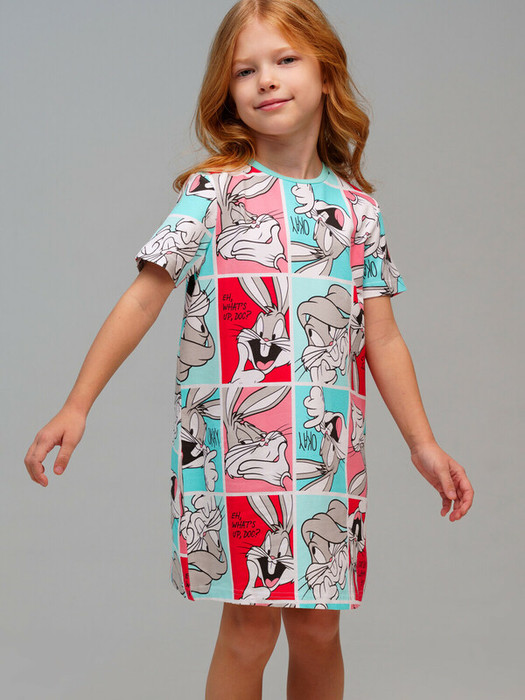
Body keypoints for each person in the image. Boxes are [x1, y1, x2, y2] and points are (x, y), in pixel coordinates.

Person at [24, 1, 474, 698]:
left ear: (325, 73)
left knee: (319, 628)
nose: (266, 79)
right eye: (245, 70)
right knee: (249, 627)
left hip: (324, 453)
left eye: (285, 60)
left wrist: (423, 444)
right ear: (227, 92)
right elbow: (143, 298)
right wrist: (76, 405)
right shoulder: (214, 194)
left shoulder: (358, 212)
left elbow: (381, 337)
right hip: (235, 449)